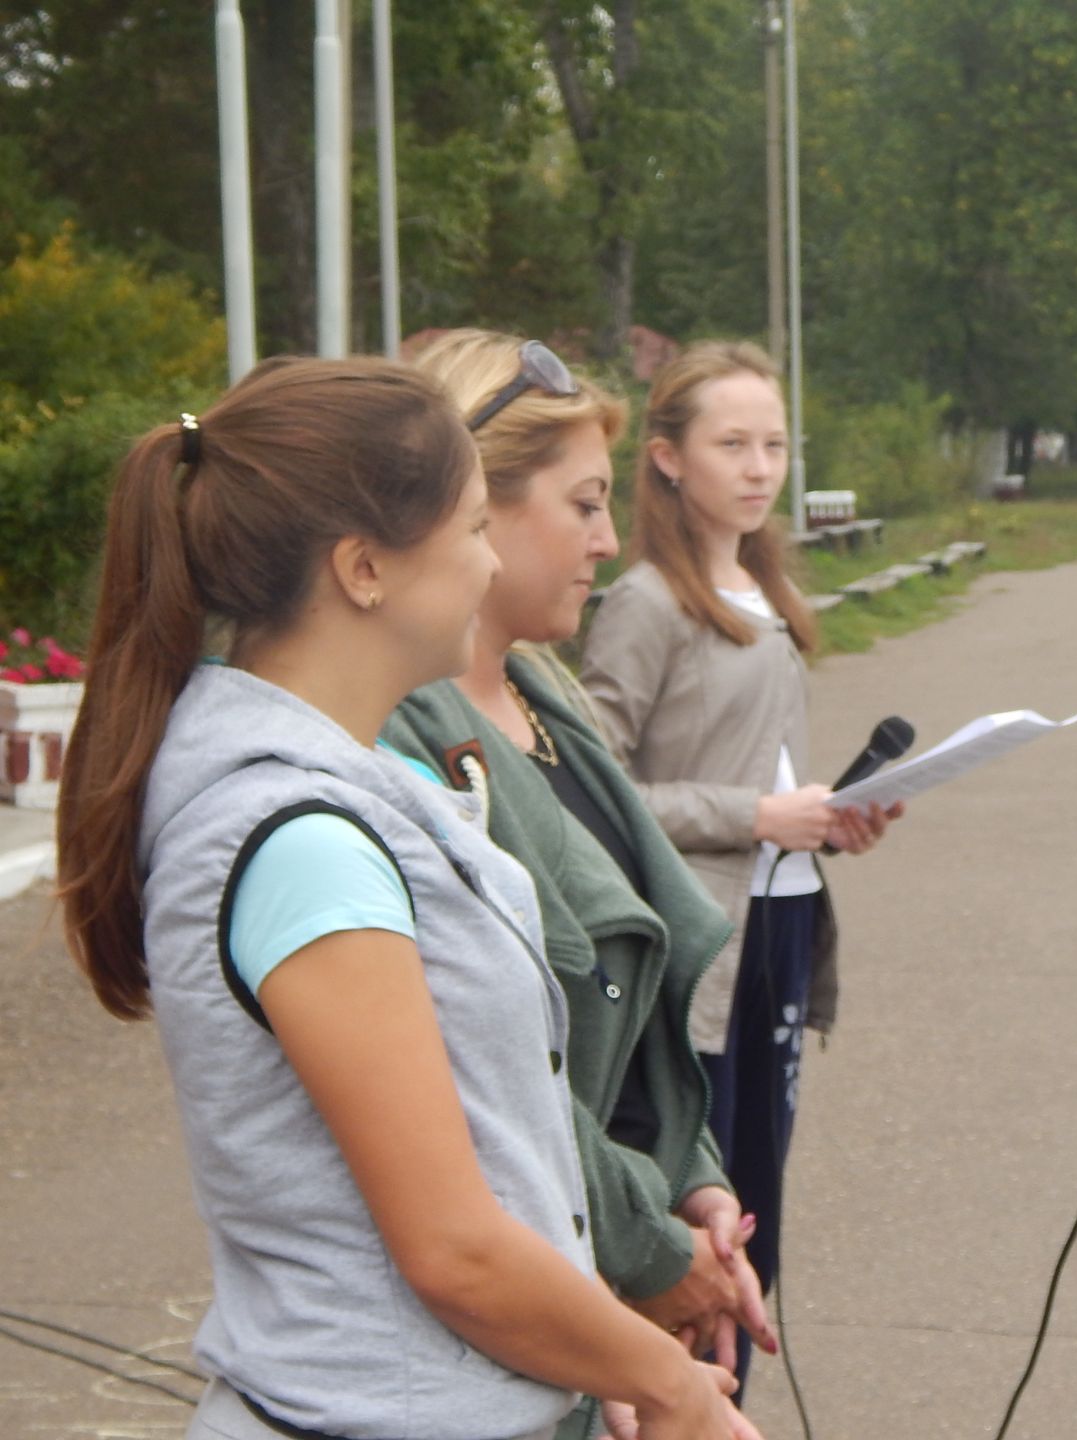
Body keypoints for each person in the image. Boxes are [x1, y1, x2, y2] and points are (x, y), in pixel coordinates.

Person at [55, 357, 755, 1440]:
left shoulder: (353, 790)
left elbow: (497, 1155)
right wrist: (665, 1385)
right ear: (364, 568)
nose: (487, 565)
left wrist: (580, 1360)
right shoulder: (306, 844)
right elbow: (455, 1248)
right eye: (475, 527)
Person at [382, 330, 778, 1436]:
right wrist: (655, 1252)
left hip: (616, 1254)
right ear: (471, 508)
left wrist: (697, 1190)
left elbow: (638, 994)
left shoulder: (540, 693)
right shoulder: (407, 739)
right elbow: (500, 1068)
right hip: (541, 1285)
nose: (609, 540)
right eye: (584, 505)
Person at [579, 341, 901, 1376]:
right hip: (700, 953)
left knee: (758, 1200)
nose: (761, 468)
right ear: (668, 459)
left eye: (775, 445)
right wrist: (756, 814)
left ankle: (725, 1396)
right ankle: (683, 1395)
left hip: (782, 930)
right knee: (702, 1206)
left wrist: (828, 819)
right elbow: (594, 792)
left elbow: (764, 783)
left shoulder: (768, 594)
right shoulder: (642, 603)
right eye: (733, 444)